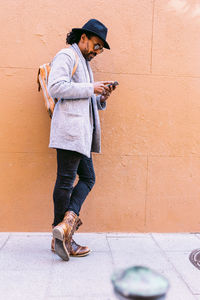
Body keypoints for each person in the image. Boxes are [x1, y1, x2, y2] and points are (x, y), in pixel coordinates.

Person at [48, 19, 117, 261]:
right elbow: (55, 87)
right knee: (66, 183)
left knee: (87, 178)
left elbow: (84, 98)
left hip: (81, 135)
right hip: (70, 133)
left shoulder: (84, 63)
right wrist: (91, 88)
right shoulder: (67, 55)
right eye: (96, 46)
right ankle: (63, 236)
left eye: (100, 49)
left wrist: (101, 97)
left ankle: (63, 228)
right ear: (83, 37)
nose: (96, 52)